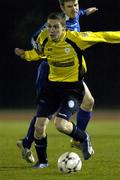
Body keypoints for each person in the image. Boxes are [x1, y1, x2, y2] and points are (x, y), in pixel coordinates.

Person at [15, 12, 120, 168]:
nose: (51, 30)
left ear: (64, 28)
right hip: (51, 88)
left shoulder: (76, 39)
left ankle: (84, 138)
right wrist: (26, 55)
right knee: (39, 126)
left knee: (60, 124)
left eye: (56, 27)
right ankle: (42, 162)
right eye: (49, 26)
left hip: (72, 89)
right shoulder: (43, 38)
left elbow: (103, 36)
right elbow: (40, 54)